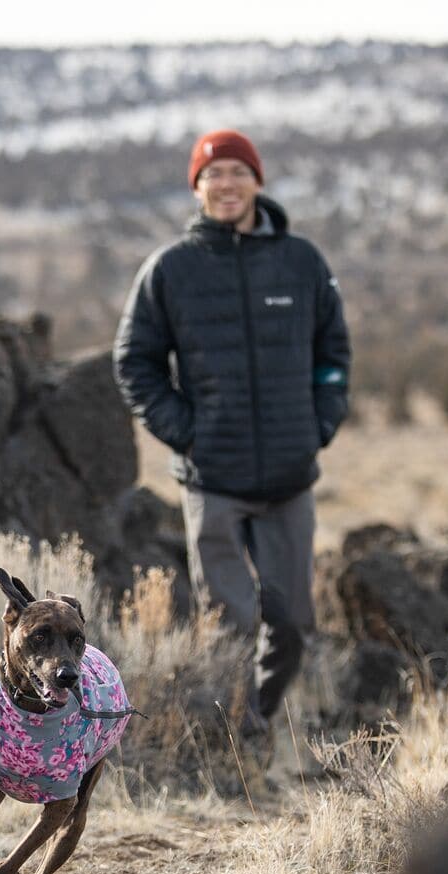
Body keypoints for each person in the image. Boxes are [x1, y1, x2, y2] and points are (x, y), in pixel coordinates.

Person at [112, 128, 350, 759]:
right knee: (232, 623)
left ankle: (256, 718)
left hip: (288, 480)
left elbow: (333, 355)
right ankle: (229, 740)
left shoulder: (301, 262)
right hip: (212, 481)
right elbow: (134, 363)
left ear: (257, 181)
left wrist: (319, 423)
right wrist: (186, 432)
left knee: (293, 624)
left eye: (237, 172)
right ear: (197, 187)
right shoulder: (170, 269)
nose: (225, 184)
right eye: (212, 174)